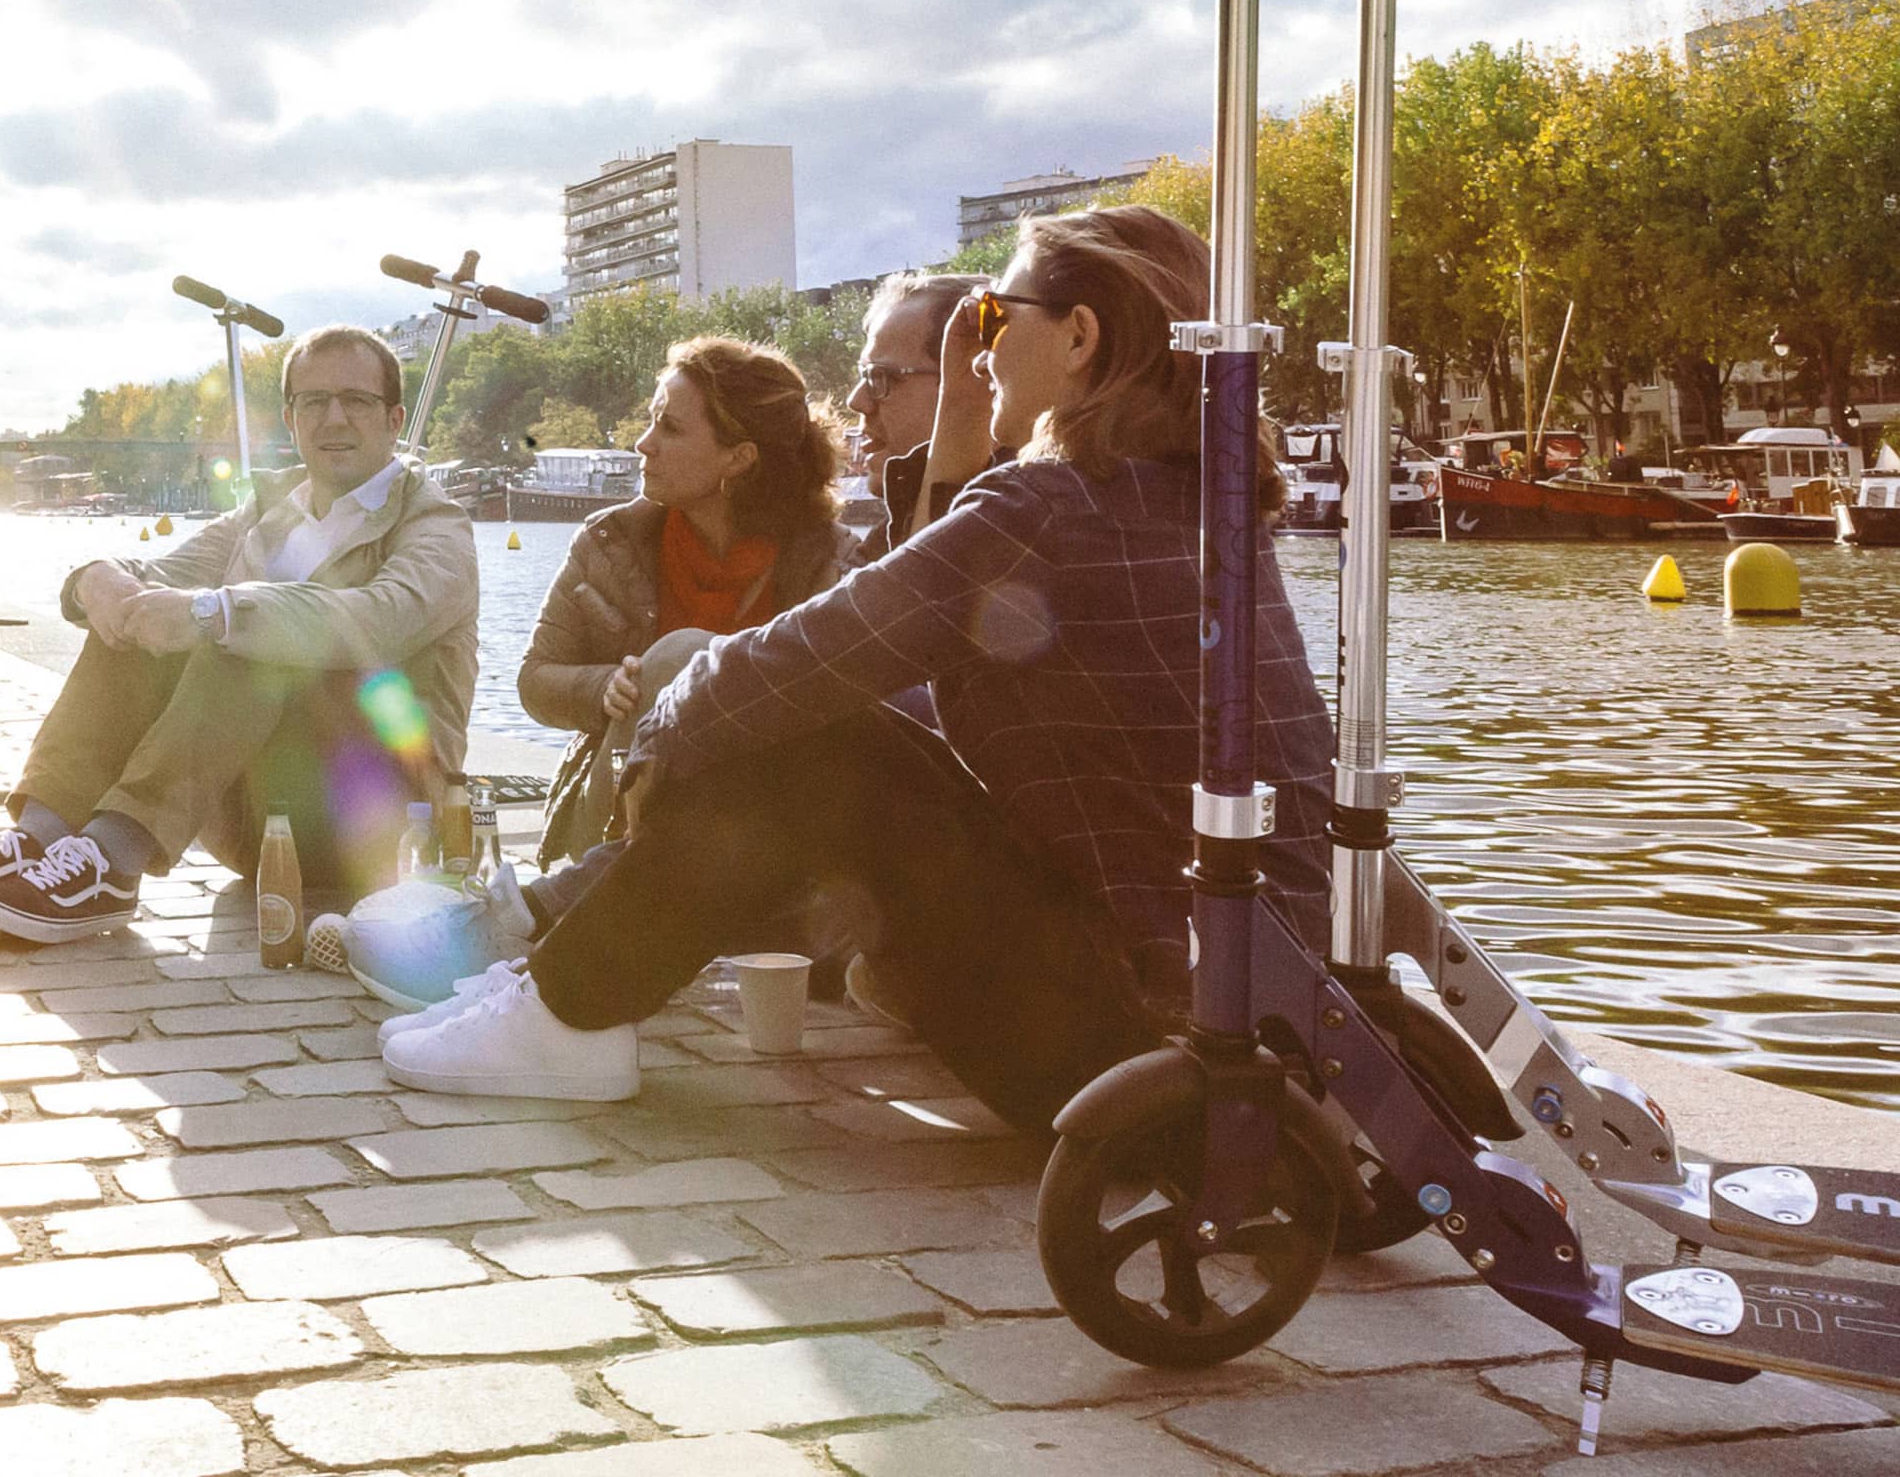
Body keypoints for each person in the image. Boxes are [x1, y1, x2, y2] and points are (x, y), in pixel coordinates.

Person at [380, 206, 1336, 1131]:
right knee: (799, 725)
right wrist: (963, 396)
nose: (981, 348)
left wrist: (659, 741)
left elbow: (807, 659)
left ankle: (567, 1012)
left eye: (995, 318)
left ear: (1080, 336)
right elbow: (945, 606)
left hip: (1136, 1057)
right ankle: (561, 991)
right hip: (1240, 1029)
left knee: (802, 739)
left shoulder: (1051, 507)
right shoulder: (1199, 504)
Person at [0, 325, 479, 943]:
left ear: (394, 420)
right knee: (140, 615)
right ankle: (40, 838)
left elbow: (382, 617)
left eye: (356, 400)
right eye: (314, 401)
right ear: (291, 420)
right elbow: (164, 578)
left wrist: (219, 613)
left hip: (383, 827)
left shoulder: (436, 524)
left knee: (243, 628)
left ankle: (114, 858)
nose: (333, 418)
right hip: (260, 824)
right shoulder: (272, 507)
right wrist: (95, 580)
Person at [337, 334, 857, 1010]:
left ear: (740, 458)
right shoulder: (610, 541)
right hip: (618, 802)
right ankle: (561, 925)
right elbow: (534, 680)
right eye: (650, 421)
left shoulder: (830, 562)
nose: (644, 443)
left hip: (767, 820)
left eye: (669, 428)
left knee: (684, 662)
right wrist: (604, 687)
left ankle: (531, 930)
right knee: (669, 670)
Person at [846, 269, 991, 561]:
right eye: (864, 375)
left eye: (882, 376)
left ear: (979, 378)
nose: (856, 401)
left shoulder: (1010, 541)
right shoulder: (884, 541)